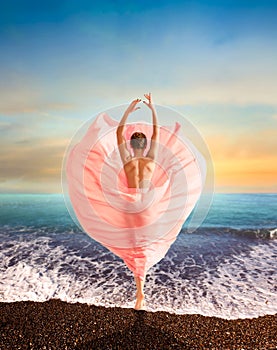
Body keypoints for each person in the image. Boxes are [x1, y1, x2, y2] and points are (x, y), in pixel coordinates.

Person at [116, 92, 159, 310]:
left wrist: (128, 110)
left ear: (132, 145)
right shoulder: (150, 159)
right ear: (145, 144)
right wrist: (152, 108)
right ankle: (141, 292)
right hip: (147, 205)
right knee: (142, 247)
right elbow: (157, 133)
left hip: (130, 203)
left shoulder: (127, 160)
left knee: (134, 247)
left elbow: (118, 132)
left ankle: (139, 292)